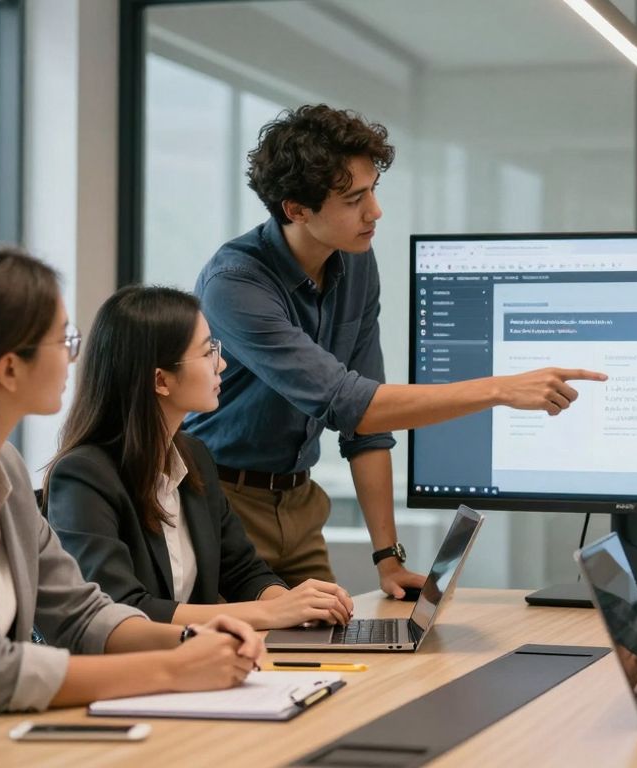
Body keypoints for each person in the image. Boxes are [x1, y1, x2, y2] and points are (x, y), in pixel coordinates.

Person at [187, 104, 605, 591]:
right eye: (353, 199)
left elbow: (367, 429)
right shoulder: (236, 284)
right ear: (297, 210)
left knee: (332, 645)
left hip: (300, 502)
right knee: (250, 656)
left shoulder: (355, 262)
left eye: (374, 190)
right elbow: (350, 406)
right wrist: (499, 389)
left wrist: (388, 559)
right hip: (224, 501)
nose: (375, 211)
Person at [0, 247, 264, 740]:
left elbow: (82, 613)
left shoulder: (5, 468)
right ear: (8, 369)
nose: (74, 355)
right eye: (63, 339)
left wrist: (191, 640)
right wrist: (176, 669)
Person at [46, 286, 355, 630]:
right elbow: (120, 608)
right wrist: (273, 613)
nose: (221, 362)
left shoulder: (194, 455)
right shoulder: (82, 477)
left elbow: (242, 570)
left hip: (197, 665)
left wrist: (297, 604)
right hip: (131, 674)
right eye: (208, 351)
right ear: (160, 380)